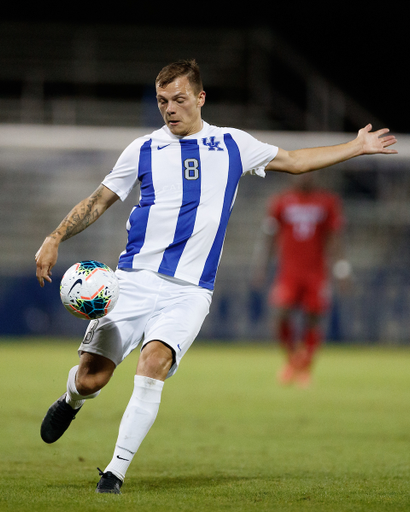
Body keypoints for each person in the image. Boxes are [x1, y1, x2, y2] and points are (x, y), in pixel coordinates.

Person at [35, 59, 397, 494]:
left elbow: (296, 161)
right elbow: (99, 199)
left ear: (200, 98)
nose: (170, 109)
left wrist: (355, 147)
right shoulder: (142, 149)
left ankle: (114, 472)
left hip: (189, 292)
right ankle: (71, 399)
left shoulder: (232, 144)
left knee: (154, 363)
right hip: (131, 282)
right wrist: (55, 236)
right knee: (92, 377)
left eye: (179, 99)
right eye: (162, 101)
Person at [252, 173, 350, 387]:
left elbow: (335, 237)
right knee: (281, 313)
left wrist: (342, 269)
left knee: (314, 317)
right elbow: (269, 236)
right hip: (289, 272)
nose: (304, 177)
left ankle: (305, 366)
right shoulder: (281, 201)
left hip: (316, 272)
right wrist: (261, 267)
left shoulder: (327, 201)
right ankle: (292, 361)